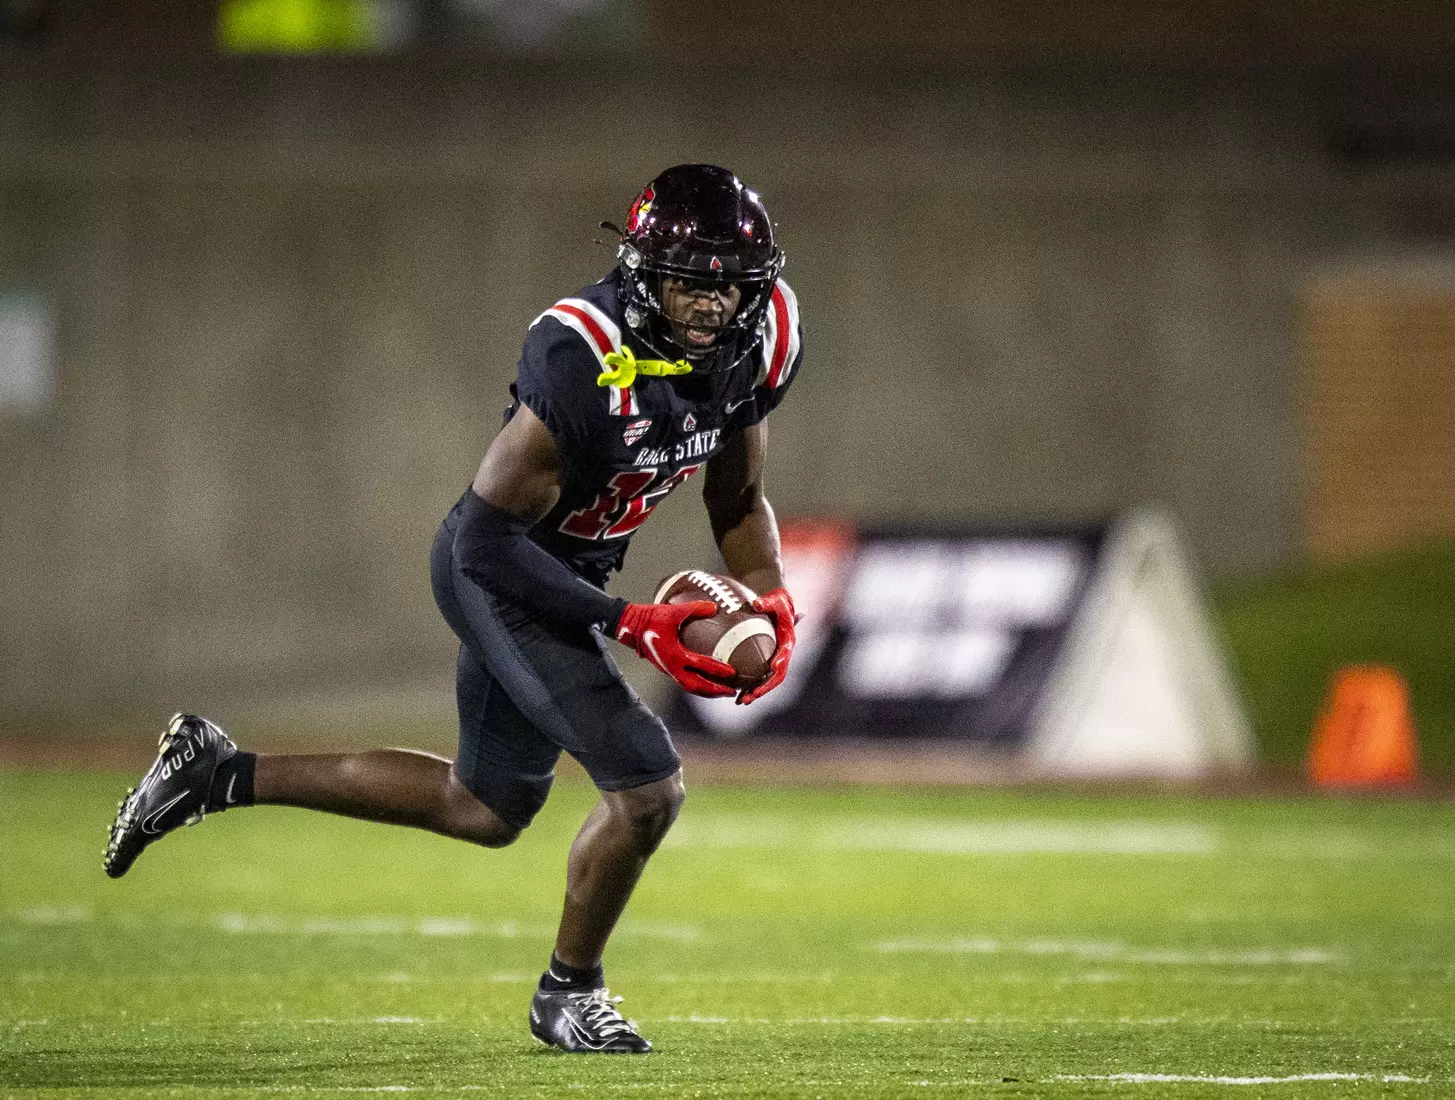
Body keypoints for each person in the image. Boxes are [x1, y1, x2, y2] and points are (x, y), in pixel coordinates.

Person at [103, 164, 804, 1054]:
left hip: (574, 566)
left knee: (482, 808)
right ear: (640, 272)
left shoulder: (764, 337)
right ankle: (569, 993)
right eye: (688, 281)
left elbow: (736, 497)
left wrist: (773, 597)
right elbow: (482, 542)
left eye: (728, 284)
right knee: (647, 786)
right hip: (501, 568)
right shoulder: (583, 353)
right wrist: (626, 621)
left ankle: (215, 773)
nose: (710, 304)